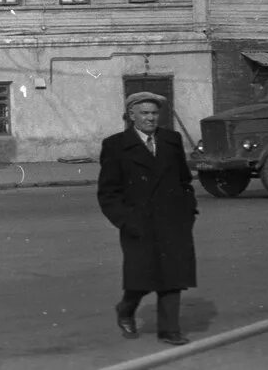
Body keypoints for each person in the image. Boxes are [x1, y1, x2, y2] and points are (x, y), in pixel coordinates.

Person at [97, 92, 198, 347]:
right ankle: (126, 309)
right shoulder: (115, 145)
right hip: (138, 223)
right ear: (132, 116)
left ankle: (170, 330)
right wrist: (126, 221)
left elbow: (184, 180)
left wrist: (188, 210)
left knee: (173, 275)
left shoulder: (171, 140)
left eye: (154, 113)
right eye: (144, 113)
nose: (150, 118)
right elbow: (108, 193)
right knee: (140, 277)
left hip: (172, 220)